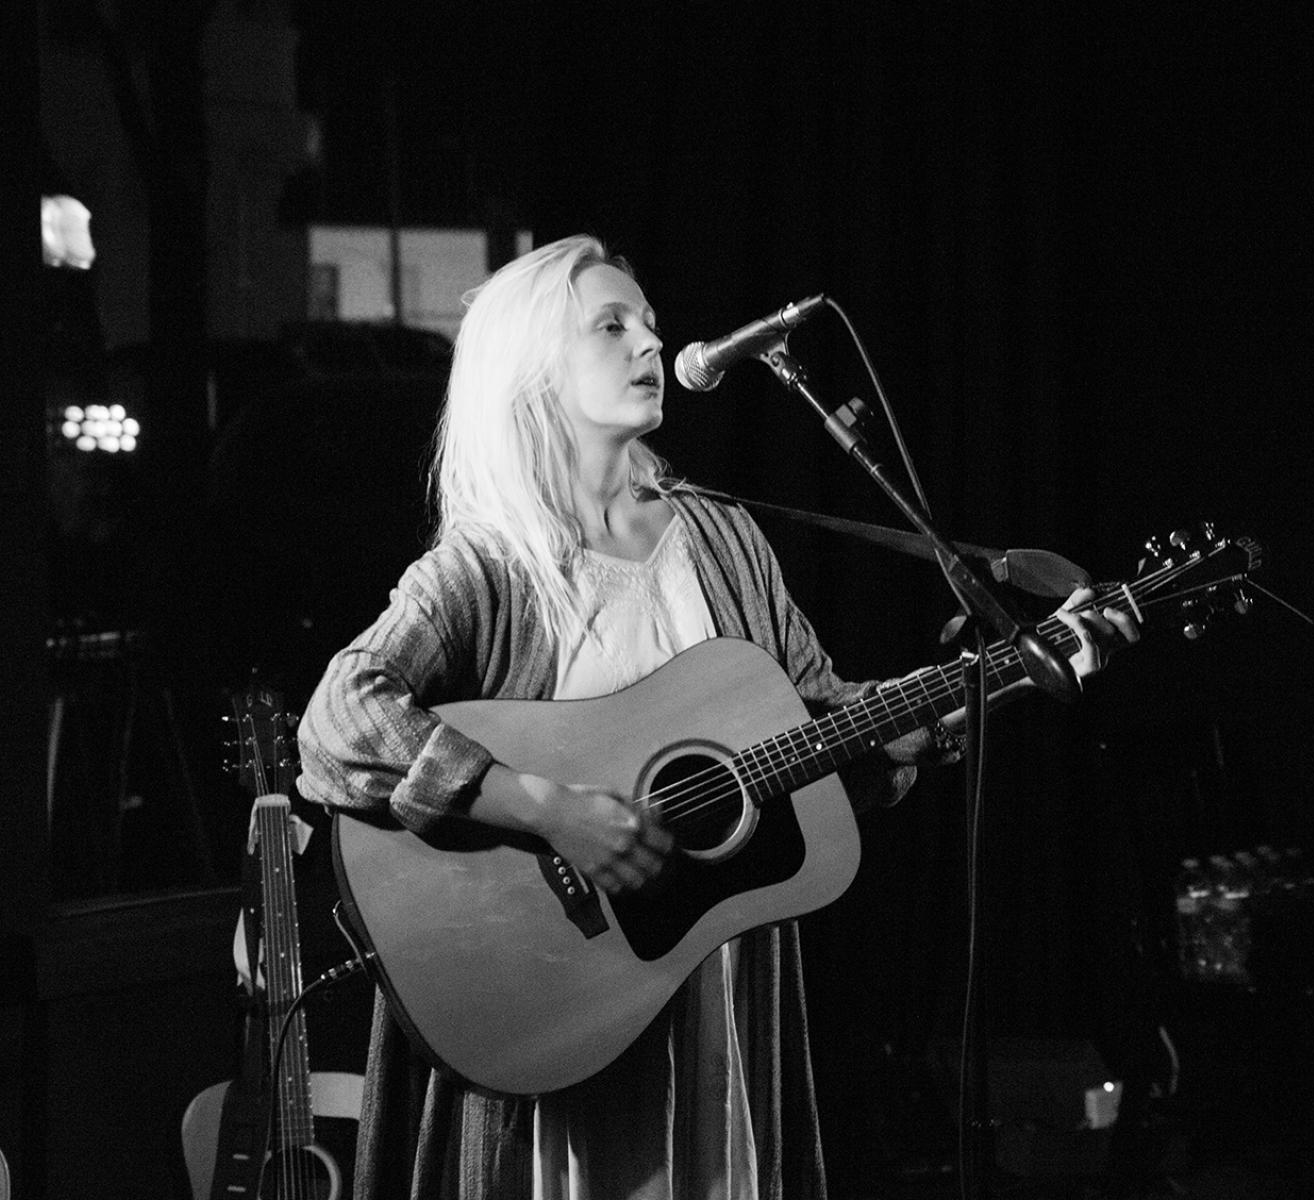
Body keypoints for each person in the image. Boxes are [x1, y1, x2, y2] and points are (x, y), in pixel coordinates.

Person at [295, 233, 1138, 1200]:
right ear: (527, 366)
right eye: (610, 326)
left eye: (650, 325)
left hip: (709, 991)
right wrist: (543, 807)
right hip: (545, 989)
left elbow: (825, 721)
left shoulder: (724, 539)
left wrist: (1013, 673)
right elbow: (338, 720)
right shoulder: (489, 567)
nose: (650, 345)